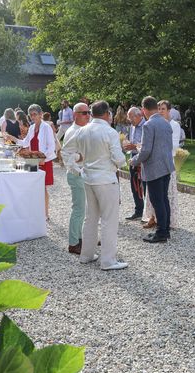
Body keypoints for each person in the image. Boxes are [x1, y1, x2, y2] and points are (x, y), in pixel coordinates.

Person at [62, 100, 128, 270]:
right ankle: (108, 260)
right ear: (107, 114)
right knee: (109, 219)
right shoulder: (110, 132)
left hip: (88, 179)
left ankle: (87, 255)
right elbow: (119, 160)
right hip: (105, 180)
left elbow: (72, 153)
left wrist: (77, 167)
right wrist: (123, 157)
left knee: (90, 218)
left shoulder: (82, 131)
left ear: (92, 114)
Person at [130, 96, 175, 242]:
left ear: (143, 110)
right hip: (166, 166)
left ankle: (161, 233)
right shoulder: (166, 122)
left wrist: (134, 161)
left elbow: (146, 150)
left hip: (154, 168)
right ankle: (165, 230)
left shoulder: (149, 125)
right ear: (156, 107)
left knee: (157, 201)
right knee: (164, 199)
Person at [6, 104, 57, 219]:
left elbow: (51, 147)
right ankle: (34, 211)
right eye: (31, 115)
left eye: (35, 114)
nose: (33, 117)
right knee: (31, 185)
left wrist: (43, 159)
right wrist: (13, 138)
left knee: (42, 187)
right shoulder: (32, 128)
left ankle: (45, 214)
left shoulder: (46, 127)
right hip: (32, 160)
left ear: (40, 114)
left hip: (44, 160)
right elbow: (25, 143)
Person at [61, 102, 90, 254]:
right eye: (84, 113)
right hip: (76, 174)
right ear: (75, 115)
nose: (88, 115)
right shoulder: (74, 131)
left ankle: (79, 238)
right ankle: (73, 243)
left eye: (89, 112)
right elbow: (66, 155)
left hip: (80, 173)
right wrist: (81, 158)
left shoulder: (81, 129)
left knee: (81, 210)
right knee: (78, 210)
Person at [123, 107, 146, 220]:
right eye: (128, 116)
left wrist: (134, 146)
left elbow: (146, 145)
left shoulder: (146, 126)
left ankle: (147, 212)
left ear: (138, 115)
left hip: (143, 159)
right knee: (134, 185)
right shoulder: (132, 126)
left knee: (144, 186)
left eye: (130, 116)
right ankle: (138, 210)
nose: (129, 119)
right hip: (133, 157)